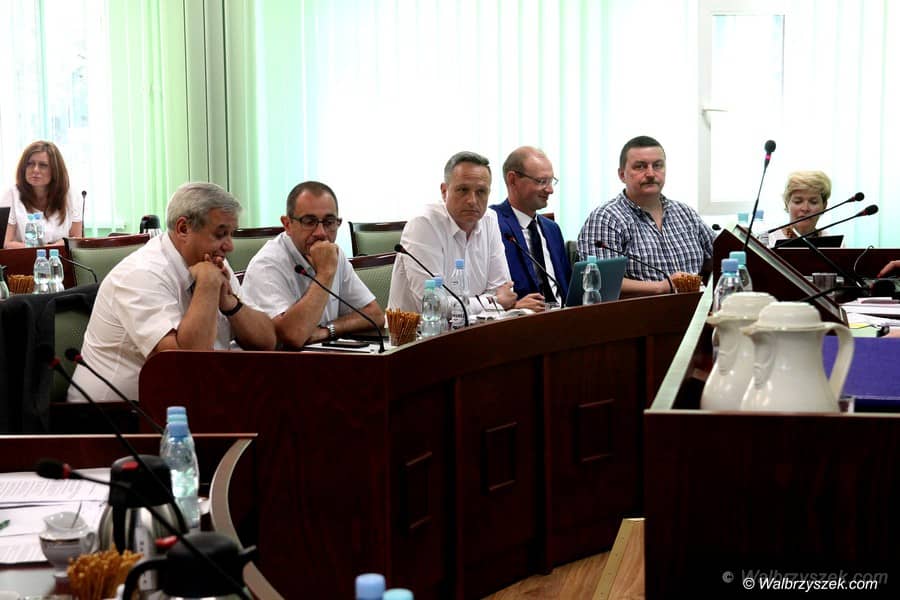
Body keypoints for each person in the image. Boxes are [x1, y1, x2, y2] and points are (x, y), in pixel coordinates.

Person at [68, 182, 276, 402]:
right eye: (220, 234)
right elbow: (184, 365)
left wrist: (231, 304)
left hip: (182, 403)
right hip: (112, 414)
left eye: (231, 234)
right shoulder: (141, 274)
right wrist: (207, 286)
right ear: (183, 228)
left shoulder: (211, 262)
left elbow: (267, 342)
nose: (230, 246)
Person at [242, 181, 385, 348]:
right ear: (287, 224)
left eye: (329, 222)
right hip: (280, 362)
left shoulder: (332, 253)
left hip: (323, 357)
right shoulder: (266, 265)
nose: (321, 233)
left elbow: (374, 315)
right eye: (309, 222)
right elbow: (292, 336)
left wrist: (328, 330)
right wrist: (325, 274)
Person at [576, 136, 714, 296]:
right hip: (641, 309)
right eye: (640, 167)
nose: (650, 174)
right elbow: (600, 279)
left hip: (696, 306)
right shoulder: (606, 218)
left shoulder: (685, 213)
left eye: (657, 165)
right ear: (622, 175)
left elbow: (720, 256)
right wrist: (661, 287)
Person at [388, 150, 517, 315]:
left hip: (478, 326)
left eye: (481, 192)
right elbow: (432, 305)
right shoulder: (423, 224)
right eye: (463, 190)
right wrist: (492, 302)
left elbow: (502, 289)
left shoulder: (489, 220)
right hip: (419, 330)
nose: (472, 200)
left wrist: (493, 301)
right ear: (444, 191)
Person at [491, 146, 571, 311]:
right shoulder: (492, 224)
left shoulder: (552, 229)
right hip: (522, 320)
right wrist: (513, 307)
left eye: (551, 181)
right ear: (513, 180)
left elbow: (568, 286)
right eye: (541, 181)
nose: (550, 190)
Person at [1, 141, 83, 247]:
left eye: (43, 165)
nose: (35, 170)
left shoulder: (70, 194)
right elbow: (6, 243)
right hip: (24, 256)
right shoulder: (12, 194)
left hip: (60, 256)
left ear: (55, 170)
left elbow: (75, 239)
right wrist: (40, 249)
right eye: (30, 164)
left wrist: (48, 249)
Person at [769, 171, 832, 245]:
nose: (805, 208)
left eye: (813, 202)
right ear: (786, 204)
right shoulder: (767, 241)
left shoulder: (834, 243)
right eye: (798, 202)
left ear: (824, 206)